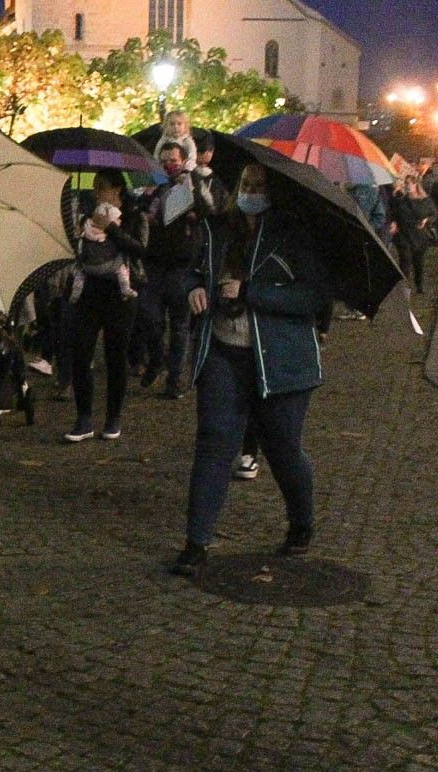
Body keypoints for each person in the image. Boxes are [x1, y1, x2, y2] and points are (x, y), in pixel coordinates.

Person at [172, 163, 329, 576]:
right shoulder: (216, 230)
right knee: (213, 445)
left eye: (259, 186)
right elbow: (190, 271)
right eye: (245, 183)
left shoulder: (294, 235)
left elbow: (312, 297)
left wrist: (251, 292)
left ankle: (301, 523)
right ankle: (196, 542)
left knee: (282, 450)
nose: (251, 192)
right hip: (224, 353)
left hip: (281, 363)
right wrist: (194, 288)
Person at [63, 168, 148, 442]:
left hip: (121, 293)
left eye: (102, 187)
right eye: (95, 188)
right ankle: (84, 416)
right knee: (80, 352)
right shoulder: (89, 215)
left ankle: (113, 417)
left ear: (117, 190)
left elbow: (140, 250)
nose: (98, 193)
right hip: (89, 290)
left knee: (115, 355)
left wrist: (111, 228)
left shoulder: (135, 217)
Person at [140, 141, 216, 398]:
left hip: (182, 264)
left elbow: (209, 211)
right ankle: (157, 358)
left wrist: (191, 187)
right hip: (154, 262)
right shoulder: (153, 184)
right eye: (164, 160)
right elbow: (138, 214)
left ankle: (175, 379)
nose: (169, 164)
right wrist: (147, 198)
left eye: (173, 160)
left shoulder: (194, 183)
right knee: (150, 319)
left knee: (180, 325)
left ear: (183, 160)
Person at [68, 202, 138, 304]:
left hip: (88, 266)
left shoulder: (86, 227)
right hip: (108, 265)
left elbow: (78, 239)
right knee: (122, 262)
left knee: (79, 271)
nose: (119, 220)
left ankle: (75, 294)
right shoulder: (108, 231)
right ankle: (125, 288)